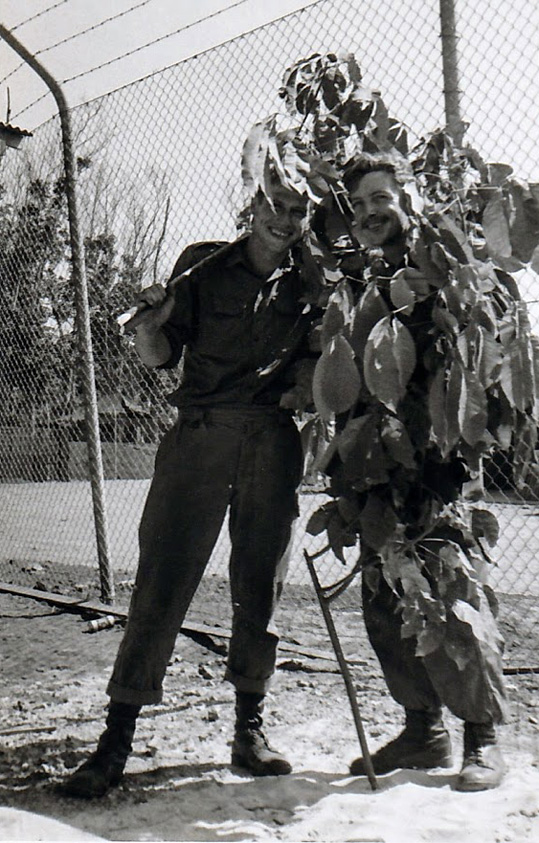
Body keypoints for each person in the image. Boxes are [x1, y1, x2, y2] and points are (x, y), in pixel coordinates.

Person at [61, 176, 314, 799]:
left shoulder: (314, 281)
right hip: (199, 437)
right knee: (163, 580)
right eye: (273, 205)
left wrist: (307, 386)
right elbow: (156, 355)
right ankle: (115, 740)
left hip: (272, 441)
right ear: (251, 207)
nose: (283, 218)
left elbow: (313, 366)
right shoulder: (202, 266)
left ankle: (248, 731)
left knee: (262, 584)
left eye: (296, 210)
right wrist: (151, 323)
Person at [339, 152, 508, 792]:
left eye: (380, 197)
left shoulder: (442, 262)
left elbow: (476, 355)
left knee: (453, 599)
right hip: (378, 465)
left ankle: (483, 738)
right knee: (385, 601)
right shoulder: (359, 277)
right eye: (357, 204)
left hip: (435, 463)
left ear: (407, 197)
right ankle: (422, 730)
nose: (368, 212)